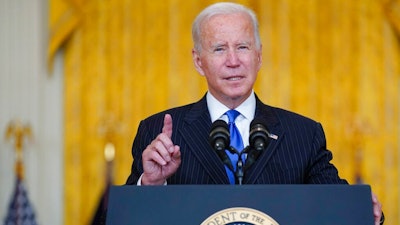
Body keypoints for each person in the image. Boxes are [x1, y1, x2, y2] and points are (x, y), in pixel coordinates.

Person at [125, 2, 384, 224]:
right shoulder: (158, 132)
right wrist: (150, 185)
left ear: (259, 56)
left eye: (243, 47)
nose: (233, 61)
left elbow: (337, 205)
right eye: (219, 49)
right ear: (198, 61)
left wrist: (364, 210)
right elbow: (116, 219)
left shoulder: (303, 134)